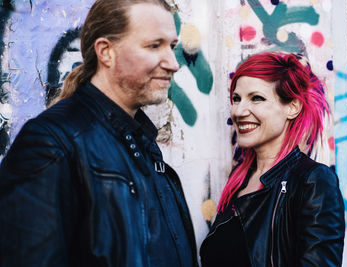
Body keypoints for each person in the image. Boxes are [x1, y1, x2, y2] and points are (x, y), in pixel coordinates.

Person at [0, 0, 198, 266]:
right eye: (154, 45)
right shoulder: (52, 142)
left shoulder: (143, 145)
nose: (173, 63)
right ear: (106, 52)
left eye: (172, 47)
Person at [200, 52, 345, 267]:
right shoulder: (239, 180)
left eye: (256, 98)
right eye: (236, 99)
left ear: (292, 107)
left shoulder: (312, 181)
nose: (239, 111)